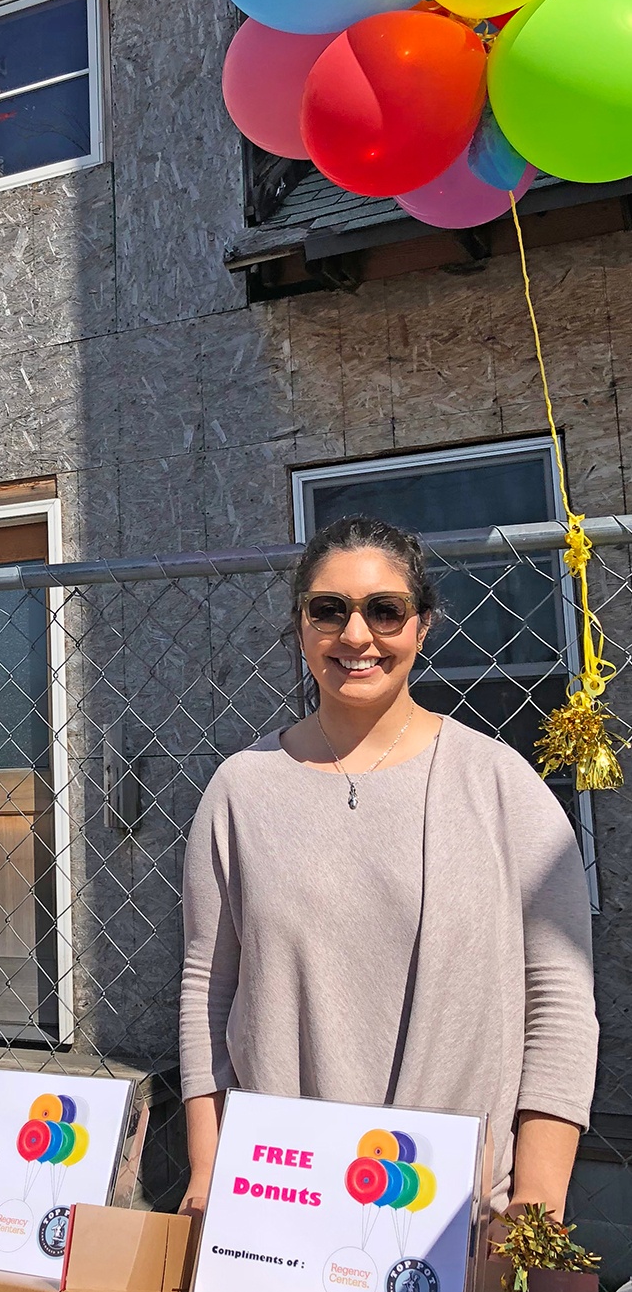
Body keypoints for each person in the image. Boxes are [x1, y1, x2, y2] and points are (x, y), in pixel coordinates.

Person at [178, 515, 596, 1217]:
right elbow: (207, 989)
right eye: (329, 610)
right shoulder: (240, 789)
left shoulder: (499, 785)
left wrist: (537, 1199)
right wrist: (206, 1171)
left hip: (456, 1220)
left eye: (385, 610)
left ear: (422, 626)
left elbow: (558, 997)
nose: (356, 635)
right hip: (279, 1204)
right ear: (302, 626)